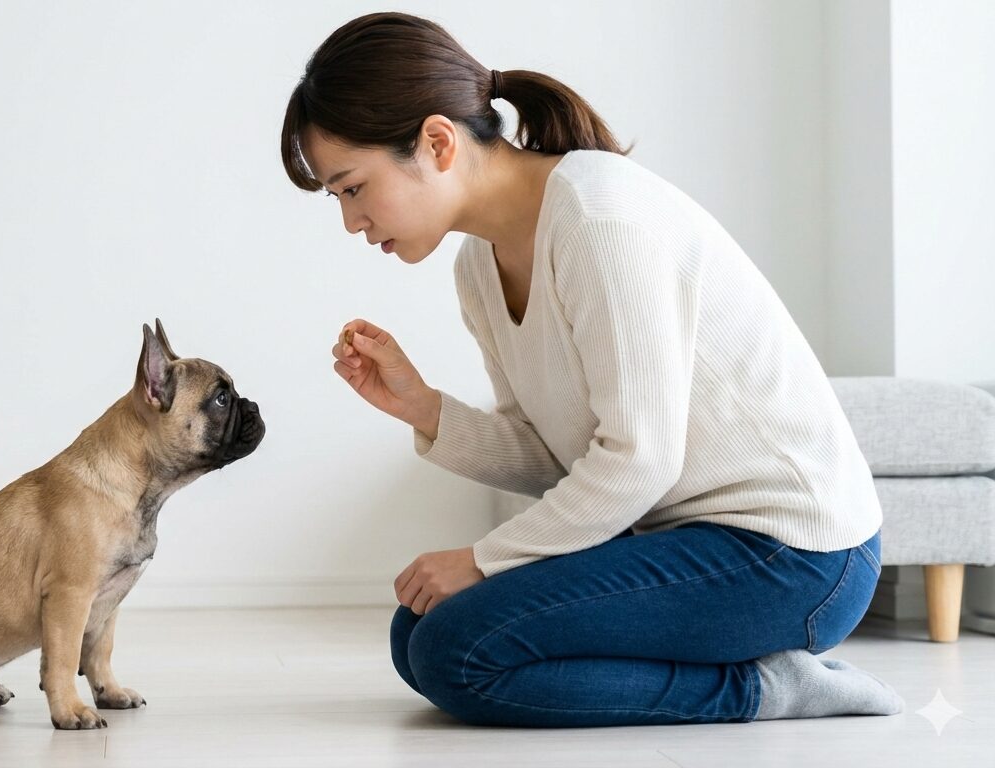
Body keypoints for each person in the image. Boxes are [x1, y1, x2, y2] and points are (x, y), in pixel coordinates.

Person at [280, 12, 904, 727]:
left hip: (794, 557)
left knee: (456, 648)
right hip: (681, 539)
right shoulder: (479, 268)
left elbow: (640, 461)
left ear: (436, 142)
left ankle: (768, 688)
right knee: (419, 631)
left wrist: (484, 560)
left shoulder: (600, 219)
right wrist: (426, 409)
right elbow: (560, 459)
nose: (351, 223)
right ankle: (734, 666)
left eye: (353, 187)